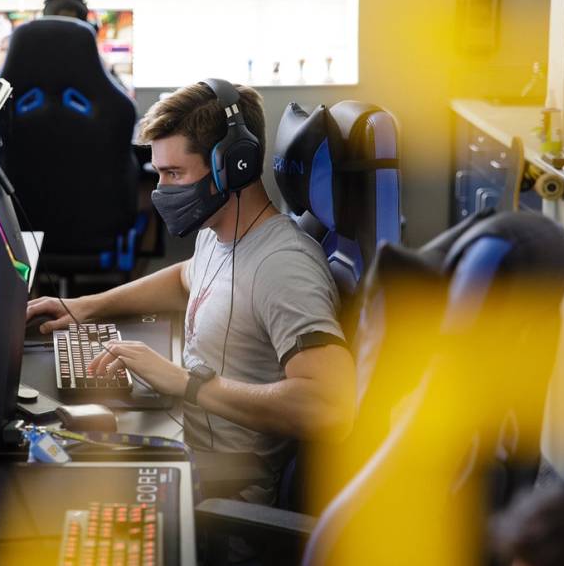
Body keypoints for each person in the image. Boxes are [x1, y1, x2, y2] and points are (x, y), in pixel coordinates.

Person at [26, 81, 356, 499]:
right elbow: (188, 277)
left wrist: (187, 383)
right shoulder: (220, 231)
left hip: (226, 493)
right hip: (190, 445)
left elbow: (330, 406)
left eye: (174, 173)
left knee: (48, 492)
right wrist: (85, 307)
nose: (161, 190)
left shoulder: (283, 267)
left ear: (232, 166)